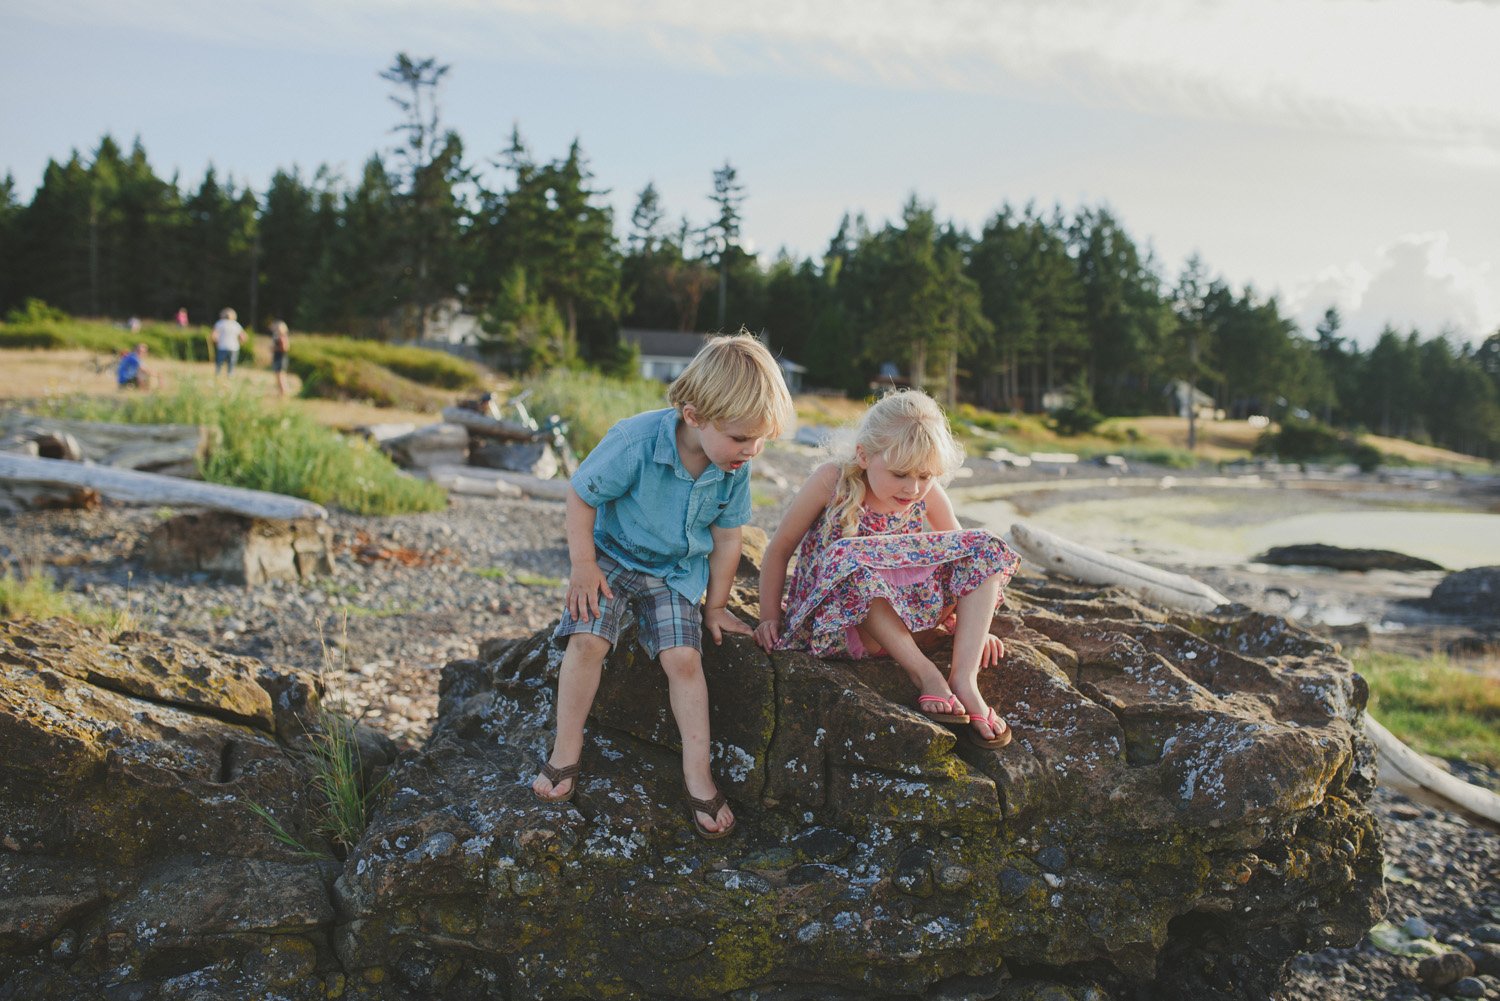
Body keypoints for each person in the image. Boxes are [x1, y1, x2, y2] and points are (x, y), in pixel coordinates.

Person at [532, 332, 796, 840]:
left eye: (761, 439)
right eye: (742, 438)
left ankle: (697, 775)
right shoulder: (635, 440)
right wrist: (583, 565)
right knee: (588, 639)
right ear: (695, 415)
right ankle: (566, 751)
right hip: (611, 555)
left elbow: (725, 539)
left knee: (684, 659)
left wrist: (715, 607)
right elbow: (581, 495)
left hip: (674, 572)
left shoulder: (731, 467)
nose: (753, 451)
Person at [753, 391, 1021, 749]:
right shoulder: (831, 482)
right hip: (842, 626)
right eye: (899, 474)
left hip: (909, 623)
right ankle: (924, 673)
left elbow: (965, 561)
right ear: (864, 455)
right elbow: (779, 549)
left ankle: (963, 680)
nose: (912, 488)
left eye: (925, 475)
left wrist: (971, 629)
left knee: (984, 546)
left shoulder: (927, 493)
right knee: (850, 559)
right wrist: (769, 618)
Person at [210, 308, 247, 376]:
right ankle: (230, 376)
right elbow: (244, 337)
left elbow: (213, 336)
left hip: (222, 346)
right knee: (231, 365)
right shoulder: (236, 324)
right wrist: (239, 344)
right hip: (234, 347)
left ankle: (217, 376)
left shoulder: (219, 323)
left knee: (219, 364)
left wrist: (217, 343)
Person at [269, 320, 291, 396]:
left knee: (281, 375)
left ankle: (283, 392)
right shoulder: (278, 336)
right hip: (279, 357)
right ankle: (281, 392)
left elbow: (285, 347)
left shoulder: (282, 337)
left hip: (281, 357)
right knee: (279, 375)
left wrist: (274, 348)